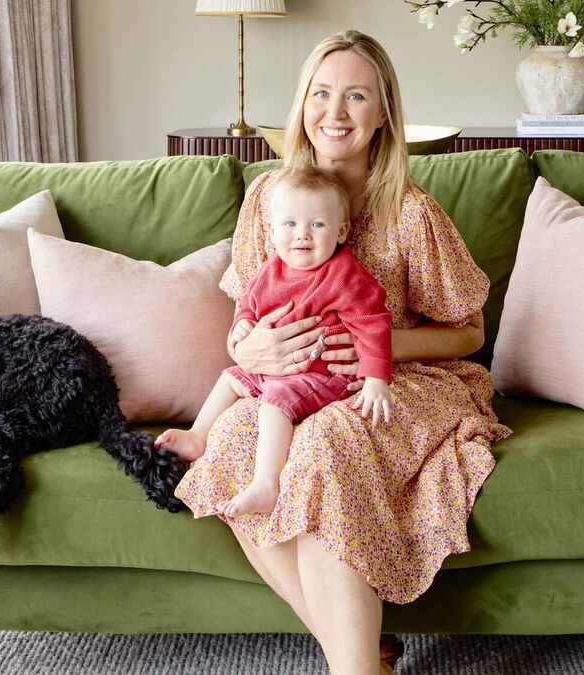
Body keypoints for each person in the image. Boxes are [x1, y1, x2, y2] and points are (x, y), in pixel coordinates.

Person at [174, 29, 512, 675]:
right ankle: (364, 661)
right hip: (290, 382)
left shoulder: (411, 213)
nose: (335, 111)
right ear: (302, 104)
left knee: (326, 443)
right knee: (237, 438)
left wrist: (373, 349)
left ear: (383, 111)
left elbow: (469, 332)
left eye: (356, 96)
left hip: (403, 378)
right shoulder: (267, 197)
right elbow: (244, 318)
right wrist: (251, 346)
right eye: (321, 93)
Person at [156, 166, 395, 517]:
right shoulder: (272, 269)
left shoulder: (345, 275)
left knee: (274, 402)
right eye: (291, 224)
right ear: (271, 231)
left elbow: (373, 324)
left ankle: (266, 485)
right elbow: (249, 306)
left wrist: (375, 379)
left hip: (323, 373)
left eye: (317, 224)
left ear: (342, 231)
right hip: (275, 369)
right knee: (231, 378)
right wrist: (242, 326)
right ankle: (198, 435)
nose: (303, 235)